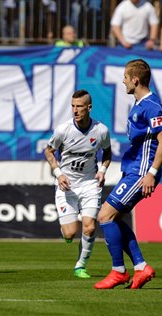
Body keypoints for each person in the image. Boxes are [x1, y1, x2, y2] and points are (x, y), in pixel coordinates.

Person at [94, 59, 162, 290]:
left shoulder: (152, 106)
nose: (123, 80)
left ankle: (118, 271)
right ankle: (141, 267)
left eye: (126, 76)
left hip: (141, 173)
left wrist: (152, 173)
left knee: (105, 216)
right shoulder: (139, 105)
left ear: (135, 80)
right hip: (133, 170)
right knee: (113, 218)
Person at [44, 89, 112, 279]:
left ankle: (80, 266)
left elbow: (107, 153)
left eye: (79, 106)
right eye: (73, 106)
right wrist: (58, 174)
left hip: (90, 184)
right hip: (67, 185)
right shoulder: (62, 130)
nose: (75, 110)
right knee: (69, 233)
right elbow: (48, 151)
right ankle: (67, 232)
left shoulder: (101, 131)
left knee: (89, 226)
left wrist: (102, 171)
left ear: (89, 107)